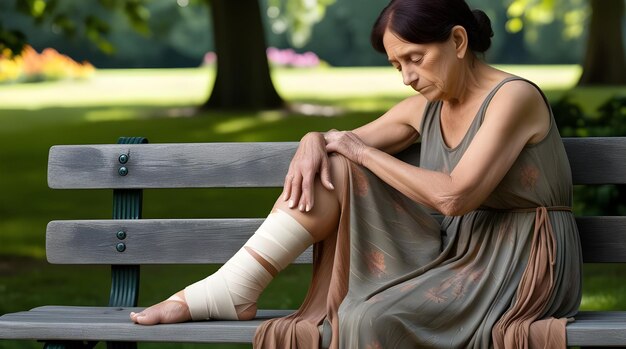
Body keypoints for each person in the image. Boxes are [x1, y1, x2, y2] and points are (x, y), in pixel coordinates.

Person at [130, 0, 582, 347]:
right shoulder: (424, 108)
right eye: (396, 64)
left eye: (415, 58)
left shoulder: (513, 97)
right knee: (337, 167)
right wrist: (312, 140)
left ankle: (227, 293)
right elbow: (339, 145)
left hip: (526, 262)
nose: (406, 76)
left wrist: (356, 150)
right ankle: (236, 289)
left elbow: (454, 197)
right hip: (456, 251)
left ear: (459, 42)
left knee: (366, 318)